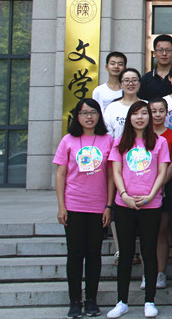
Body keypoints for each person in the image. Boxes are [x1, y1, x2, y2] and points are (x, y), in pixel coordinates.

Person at [107, 101, 170, 319]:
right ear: (129, 118)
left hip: (151, 204)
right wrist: (124, 195)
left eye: (144, 113)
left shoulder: (159, 142)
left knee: (149, 252)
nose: (140, 117)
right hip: (124, 204)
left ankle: (149, 301)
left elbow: (162, 171)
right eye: (135, 114)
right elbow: (116, 172)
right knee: (125, 254)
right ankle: (122, 301)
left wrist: (152, 195)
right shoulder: (120, 142)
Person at [54, 99, 115, 319]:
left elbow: (111, 175)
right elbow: (61, 174)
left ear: (99, 115)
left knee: (94, 254)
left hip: (98, 206)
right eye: (84, 113)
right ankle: (74, 301)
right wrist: (61, 206)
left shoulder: (108, 140)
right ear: (77, 117)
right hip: (74, 205)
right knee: (75, 254)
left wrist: (109, 205)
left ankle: (91, 300)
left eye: (93, 112)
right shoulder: (68, 140)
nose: (89, 117)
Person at [149, 97, 172, 290]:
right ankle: (148, 273)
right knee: (146, 234)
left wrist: (159, 184)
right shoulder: (141, 135)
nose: (157, 115)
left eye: (161, 111)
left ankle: (161, 272)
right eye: (153, 111)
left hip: (165, 187)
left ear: (166, 113)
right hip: (141, 188)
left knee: (162, 229)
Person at [103, 68, 143, 141]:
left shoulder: (146, 105)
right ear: (120, 84)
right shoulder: (112, 107)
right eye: (126, 80)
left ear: (139, 83)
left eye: (134, 80)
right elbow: (108, 135)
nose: (130, 83)